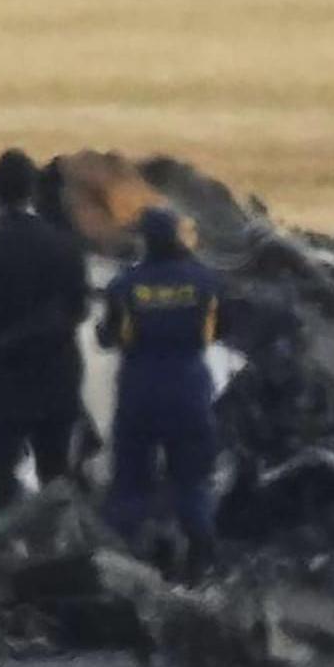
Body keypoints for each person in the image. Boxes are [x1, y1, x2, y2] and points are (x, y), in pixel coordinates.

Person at [0, 151, 94, 504]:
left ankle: (8, 550)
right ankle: (57, 552)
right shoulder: (66, 246)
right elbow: (79, 309)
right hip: (56, 376)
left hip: (5, 380)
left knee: (1, 478)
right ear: (32, 192)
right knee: (56, 475)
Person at [99, 207, 228, 576]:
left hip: (139, 390)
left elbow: (107, 336)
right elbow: (220, 330)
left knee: (130, 484)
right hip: (189, 388)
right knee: (191, 481)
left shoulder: (125, 285)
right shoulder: (205, 283)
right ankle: (202, 560)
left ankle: (126, 565)